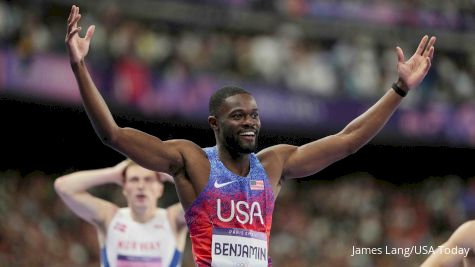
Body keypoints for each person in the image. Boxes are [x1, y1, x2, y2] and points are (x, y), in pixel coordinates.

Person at [65, 4, 436, 267]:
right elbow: (113, 134)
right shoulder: (190, 160)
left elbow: (348, 139)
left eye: (254, 116)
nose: (249, 123)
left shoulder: (275, 164)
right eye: (238, 115)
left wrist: (398, 90)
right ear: (215, 123)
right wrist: (79, 67)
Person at [54, 159, 188, 267]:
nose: (141, 186)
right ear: (124, 188)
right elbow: (63, 187)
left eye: (148, 179)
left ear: (160, 188)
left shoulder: (173, 219)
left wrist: (171, 175)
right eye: (134, 180)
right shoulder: (110, 217)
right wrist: (112, 174)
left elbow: (208, 199)